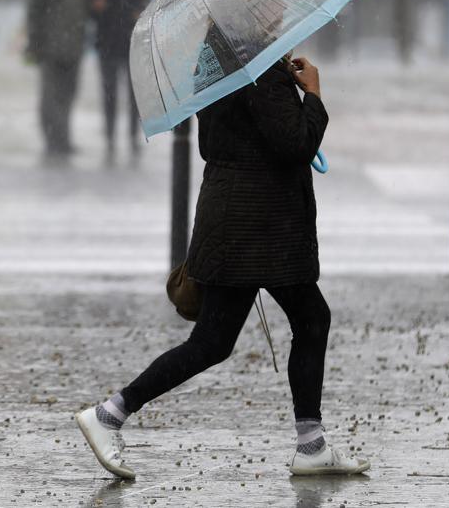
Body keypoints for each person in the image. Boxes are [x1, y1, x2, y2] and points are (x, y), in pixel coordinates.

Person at [76, 55, 369, 479]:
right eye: (274, 1)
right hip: (259, 225)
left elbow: (232, 137)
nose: (280, 9)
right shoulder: (260, 67)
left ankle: (311, 444)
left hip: (235, 215)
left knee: (231, 337)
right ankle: (110, 414)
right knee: (297, 322)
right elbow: (297, 143)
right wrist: (314, 95)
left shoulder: (216, 58)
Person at [87, 0, 148, 162]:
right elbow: (92, 9)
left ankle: (133, 135)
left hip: (131, 40)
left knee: (134, 94)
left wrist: (134, 9)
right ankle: (110, 137)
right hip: (107, 42)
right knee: (109, 92)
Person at [27, 0, 88, 160]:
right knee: (51, 96)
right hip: (50, 45)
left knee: (69, 93)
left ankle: (63, 138)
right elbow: (35, 7)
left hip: (74, 45)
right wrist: (35, 42)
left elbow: (89, 6)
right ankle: (53, 140)